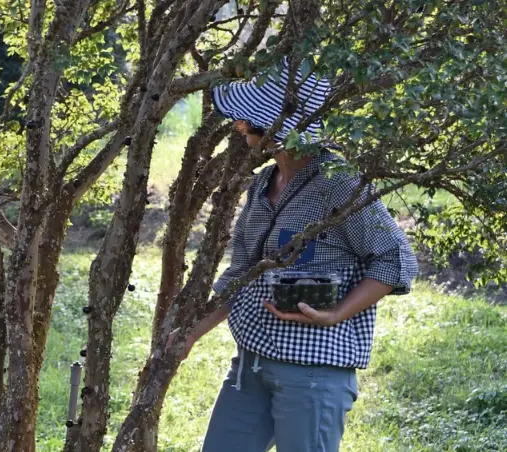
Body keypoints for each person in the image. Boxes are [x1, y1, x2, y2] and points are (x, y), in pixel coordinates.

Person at [172, 60, 419, 451]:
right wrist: (189, 336)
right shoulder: (262, 185)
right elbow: (241, 273)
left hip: (312, 374)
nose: (239, 125)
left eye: (249, 117)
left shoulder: (338, 184)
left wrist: (337, 314)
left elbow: (396, 261)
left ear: (279, 123)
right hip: (250, 365)